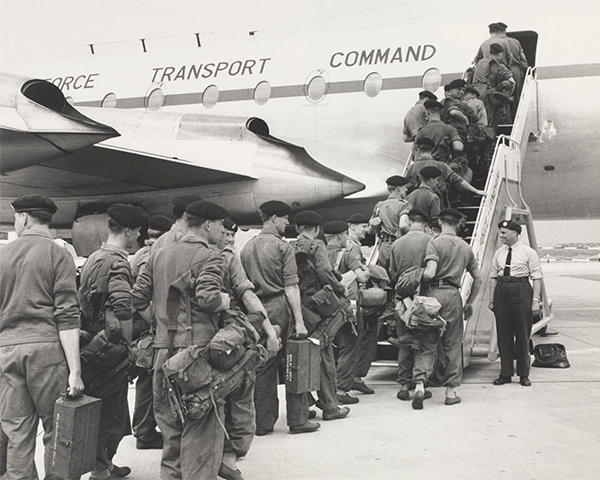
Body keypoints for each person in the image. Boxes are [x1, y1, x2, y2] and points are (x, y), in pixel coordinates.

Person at [132, 200, 231, 480]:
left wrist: (163, 323)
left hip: (163, 352)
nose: (222, 230)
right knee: (201, 427)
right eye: (221, 225)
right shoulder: (211, 256)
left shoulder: (157, 253)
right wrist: (224, 300)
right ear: (208, 224)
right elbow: (208, 298)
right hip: (195, 356)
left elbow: (138, 297)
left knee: (170, 427)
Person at [0, 194, 84, 480]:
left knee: (17, 431)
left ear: (23, 217)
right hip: (47, 353)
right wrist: (75, 371)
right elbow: (68, 316)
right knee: (58, 428)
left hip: (8, 351)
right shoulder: (59, 255)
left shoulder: (2, 256)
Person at [79, 203, 148, 480]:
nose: (139, 237)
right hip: (109, 347)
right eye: (138, 232)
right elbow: (122, 307)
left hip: (91, 344)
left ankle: (103, 464)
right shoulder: (118, 262)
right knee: (113, 414)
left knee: (104, 408)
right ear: (129, 231)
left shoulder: (95, 256)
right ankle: (101, 471)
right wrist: (128, 348)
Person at [239, 201, 318, 435]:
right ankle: (298, 419)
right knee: (296, 361)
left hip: (255, 311)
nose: (287, 223)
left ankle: (263, 422)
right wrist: (300, 321)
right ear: (273, 218)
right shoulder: (284, 248)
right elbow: (291, 287)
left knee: (263, 365)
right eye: (284, 219)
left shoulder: (246, 248)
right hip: (280, 306)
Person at [219, 217, 279, 480]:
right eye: (227, 236)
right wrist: (267, 331)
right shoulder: (228, 259)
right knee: (239, 396)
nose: (230, 242)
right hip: (229, 337)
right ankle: (229, 456)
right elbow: (247, 295)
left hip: (204, 339)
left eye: (233, 237)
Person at [293, 211, 351, 421]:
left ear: (298, 229)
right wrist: (340, 289)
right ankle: (330, 407)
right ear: (316, 229)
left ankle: (304, 405)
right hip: (318, 306)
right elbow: (325, 272)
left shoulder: (290, 246)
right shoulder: (317, 246)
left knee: (301, 355)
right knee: (324, 355)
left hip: (297, 307)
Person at [422, 208, 483, 405]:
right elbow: (478, 279)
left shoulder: (434, 243)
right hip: (453, 295)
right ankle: (450, 392)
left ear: (440, 222)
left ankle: (419, 385)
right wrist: (469, 303)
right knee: (453, 343)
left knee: (427, 341)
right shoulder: (466, 247)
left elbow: (430, 273)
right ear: (457, 224)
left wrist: (416, 277)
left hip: (433, 294)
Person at [129, 214, 173, 451]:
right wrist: (156, 321)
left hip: (140, 324)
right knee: (148, 381)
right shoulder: (152, 256)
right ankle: (145, 432)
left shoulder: (139, 255)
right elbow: (141, 296)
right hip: (148, 325)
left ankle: (145, 430)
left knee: (146, 380)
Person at [389, 209, 437, 408]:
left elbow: (392, 272)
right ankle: (419, 386)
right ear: (425, 223)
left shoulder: (396, 244)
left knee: (405, 342)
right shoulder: (431, 241)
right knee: (426, 344)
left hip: (401, 299)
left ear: (409, 222)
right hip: (424, 298)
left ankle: (402, 386)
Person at [489, 220, 543, 387]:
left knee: (522, 334)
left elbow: (536, 278)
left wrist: (535, 301)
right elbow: (493, 277)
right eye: (501, 232)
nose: (501, 236)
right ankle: (505, 373)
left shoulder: (528, 252)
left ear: (515, 233)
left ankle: (523, 374)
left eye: (504, 232)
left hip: (521, 289)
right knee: (503, 335)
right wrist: (492, 300)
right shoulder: (499, 253)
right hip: (502, 289)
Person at [327, 214, 372, 402]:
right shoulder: (345, 255)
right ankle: (341, 390)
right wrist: (366, 268)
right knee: (350, 346)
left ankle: (328, 390)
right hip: (347, 306)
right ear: (339, 236)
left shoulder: (319, 253)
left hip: (326, 307)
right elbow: (363, 277)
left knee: (330, 350)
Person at [406, 138, 486, 208]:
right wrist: (476, 191)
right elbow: (458, 181)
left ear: (418, 150)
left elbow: (406, 188)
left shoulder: (412, 168)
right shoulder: (442, 166)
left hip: (418, 208)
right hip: (439, 206)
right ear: (433, 150)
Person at [369, 175, 412, 270]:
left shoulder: (379, 205)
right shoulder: (404, 205)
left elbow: (370, 230)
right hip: (400, 245)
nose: (406, 189)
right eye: (404, 187)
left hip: (384, 247)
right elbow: (403, 225)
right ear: (398, 189)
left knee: (385, 275)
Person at [473, 43, 515, 128]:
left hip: (475, 92)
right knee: (489, 119)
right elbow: (512, 82)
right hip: (487, 93)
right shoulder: (499, 66)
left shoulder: (480, 62)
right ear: (499, 54)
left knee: (477, 118)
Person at [414, 100, 464, 165]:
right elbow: (458, 147)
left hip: (425, 167)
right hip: (443, 167)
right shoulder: (450, 129)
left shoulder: (421, 131)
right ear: (440, 113)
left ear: (427, 113)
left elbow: (415, 154)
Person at [496, 22, 529, 115]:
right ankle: (515, 116)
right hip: (515, 70)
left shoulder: (495, 42)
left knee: (501, 95)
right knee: (516, 96)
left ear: (497, 31)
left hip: (501, 70)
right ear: (504, 31)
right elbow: (523, 59)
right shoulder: (515, 42)